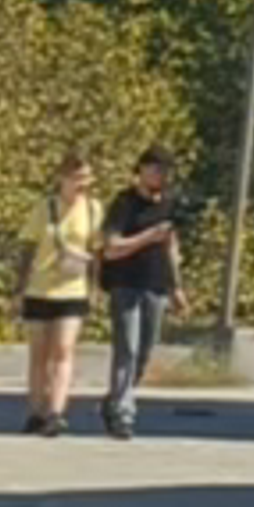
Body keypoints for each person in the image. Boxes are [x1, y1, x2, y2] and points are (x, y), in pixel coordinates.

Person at [97, 150, 185, 432]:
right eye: (156, 169)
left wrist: (176, 286)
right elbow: (111, 248)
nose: (161, 176)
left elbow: (171, 245)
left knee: (145, 350)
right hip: (125, 283)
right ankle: (124, 412)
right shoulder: (124, 204)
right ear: (142, 170)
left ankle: (115, 399)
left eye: (165, 171)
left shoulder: (169, 204)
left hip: (156, 285)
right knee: (127, 348)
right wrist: (148, 236)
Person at [17, 156, 100, 431]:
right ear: (62, 178)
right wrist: (19, 286)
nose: (83, 184)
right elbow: (28, 246)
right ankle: (36, 410)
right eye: (77, 178)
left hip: (73, 289)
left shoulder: (92, 209)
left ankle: (56, 412)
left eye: (87, 178)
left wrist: (95, 286)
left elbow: (97, 250)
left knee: (63, 350)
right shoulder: (45, 207)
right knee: (39, 353)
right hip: (40, 288)